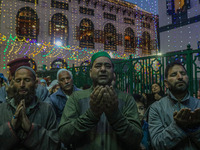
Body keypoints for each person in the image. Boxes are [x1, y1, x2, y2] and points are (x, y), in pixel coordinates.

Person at [58, 51, 142, 150]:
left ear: (113, 72)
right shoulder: (76, 98)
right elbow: (64, 136)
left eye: (107, 66)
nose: (103, 69)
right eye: (98, 66)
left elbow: (136, 138)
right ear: (90, 72)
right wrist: (91, 114)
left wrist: (115, 115)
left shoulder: (126, 99)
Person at [0, 66, 60, 149]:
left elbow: (54, 144)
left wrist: (31, 129)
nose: (22, 85)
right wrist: (11, 126)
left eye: (27, 80)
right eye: (18, 80)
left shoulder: (46, 109)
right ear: (13, 83)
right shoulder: (2, 109)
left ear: (35, 84)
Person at [148, 61, 200, 150]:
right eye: (174, 74)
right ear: (166, 83)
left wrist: (195, 129)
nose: (180, 77)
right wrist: (178, 126)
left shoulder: (198, 104)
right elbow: (157, 144)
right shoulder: (156, 108)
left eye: (183, 73)